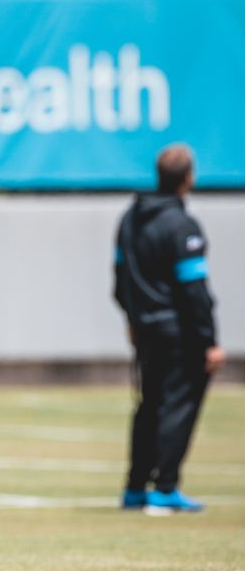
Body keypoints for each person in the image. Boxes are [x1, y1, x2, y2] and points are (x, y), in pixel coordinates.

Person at [113, 144, 224, 514]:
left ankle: (134, 487)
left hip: (145, 328)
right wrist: (208, 340)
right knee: (178, 406)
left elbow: (120, 276)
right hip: (178, 332)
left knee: (150, 405)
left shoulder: (131, 219)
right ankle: (165, 487)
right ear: (188, 178)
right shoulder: (182, 225)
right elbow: (193, 290)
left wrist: (131, 317)